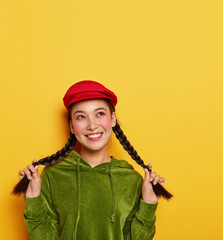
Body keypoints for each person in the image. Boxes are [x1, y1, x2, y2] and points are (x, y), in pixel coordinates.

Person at [17, 80, 168, 240]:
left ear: (113, 119)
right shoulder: (53, 175)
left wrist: (149, 204)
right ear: (72, 126)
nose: (92, 125)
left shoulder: (133, 180)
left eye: (100, 114)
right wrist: (33, 200)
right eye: (81, 117)